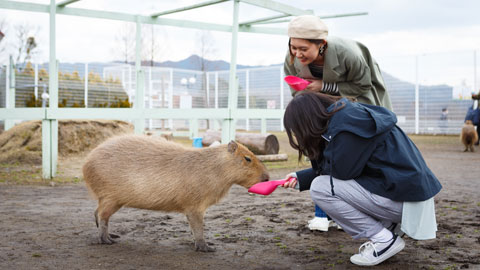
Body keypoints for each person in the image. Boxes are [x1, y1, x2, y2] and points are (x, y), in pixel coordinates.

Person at [281, 91, 442, 266]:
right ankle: (388, 227)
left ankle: (384, 241)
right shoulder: (351, 116)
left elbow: (340, 173)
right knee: (327, 184)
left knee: (321, 188)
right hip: (410, 197)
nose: (297, 135)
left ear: (306, 121)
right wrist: (300, 177)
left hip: (406, 202)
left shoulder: (345, 128)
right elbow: (344, 166)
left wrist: (312, 156)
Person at [283, 15, 393, 231]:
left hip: (357, 106)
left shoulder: (348, 54)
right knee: (319, 154)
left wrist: (324, 86)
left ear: (322, 45)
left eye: (303, 48)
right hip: (320, 110)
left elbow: (363, 86)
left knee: (351, 160)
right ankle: (323, 215)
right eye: (293, 47)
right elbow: (298, 95)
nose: (297, 53)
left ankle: (363, 213)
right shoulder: (291, 59)